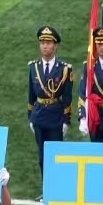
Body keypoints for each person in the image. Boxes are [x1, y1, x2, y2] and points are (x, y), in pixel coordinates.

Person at [27, 25, 72, 174]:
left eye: (48, 43)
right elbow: (31, 95)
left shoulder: (64, 69)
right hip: (39, 116)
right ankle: (46, 189)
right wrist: (30, 117)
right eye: (42, 43)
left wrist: (66, 120)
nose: (45, 46)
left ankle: (56, 189)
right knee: (42, 156)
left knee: (56, 155)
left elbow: (67, 96)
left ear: (55, 46)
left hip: (55, 116)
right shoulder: (34, 67)